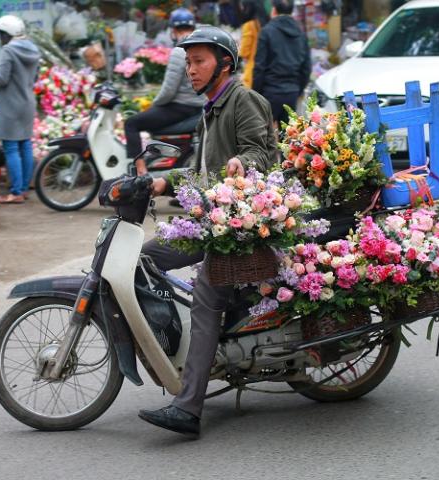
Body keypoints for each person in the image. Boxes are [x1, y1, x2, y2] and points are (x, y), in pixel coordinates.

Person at [137, 26, 276, 437]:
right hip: (210, 220)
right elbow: (203, 173)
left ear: (225, 64)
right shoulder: (210, 108)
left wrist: (242, 163)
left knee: (204, 295)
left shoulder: (242, 100)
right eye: (188, 62)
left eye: (199, 62)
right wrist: (163, 181)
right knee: (147, 255)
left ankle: (188, 407)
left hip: (238, 226)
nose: (191, 70)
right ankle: (176, 340)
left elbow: (262, 153)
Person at [127, 8, 204, 176]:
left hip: (179, 107)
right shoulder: (202, 49)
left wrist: (153, 105)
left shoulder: (179, 51)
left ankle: (140, 172)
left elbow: (169, 90)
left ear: (173, 30)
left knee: (131, 123)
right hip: (197, 106)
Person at [0, 15, 40, 204]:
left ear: (7, 34)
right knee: (24, 145)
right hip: (27, 103)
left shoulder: (8, 50)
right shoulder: (33, 49)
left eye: (1, 34)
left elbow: (1, 78)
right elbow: (35, 77)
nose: (0, 37)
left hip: (10, 104)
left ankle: (15, 192)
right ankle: (23, 189)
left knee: (10, 148)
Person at [252, 0, 311, 126]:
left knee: (263, 136)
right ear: (292, 11)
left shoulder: (266, 31)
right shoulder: (300, 34)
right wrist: (297, 89)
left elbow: (259, 67)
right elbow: (306, 68)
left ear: (273, 10)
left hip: (269, 92)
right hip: (292, 92)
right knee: (289, 137)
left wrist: (255, 93)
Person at [238, 0, 269, 89]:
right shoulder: (268, 25)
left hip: (252, 74)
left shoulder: (249, 26)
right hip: (267, 72)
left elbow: (244, 53)